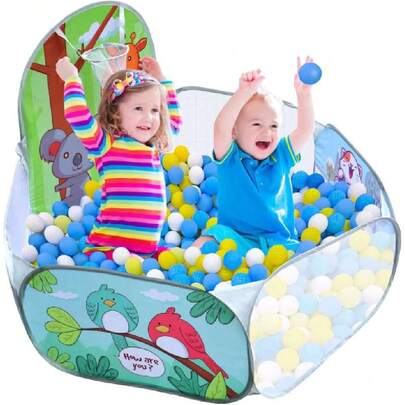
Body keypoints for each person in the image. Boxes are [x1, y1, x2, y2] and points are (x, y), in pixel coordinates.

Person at [56, 55, 181, 259]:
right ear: (116, 113)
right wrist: (71, 79)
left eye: (154, 110)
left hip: (145, 255)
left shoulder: (155, 147)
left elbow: (174, 122)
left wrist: (162, 78)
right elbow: (78, 117)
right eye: (138, 108)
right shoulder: (107, 145)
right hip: (108, 251)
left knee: (177, 262)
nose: (148, 117)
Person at [193, 57, 315, 255]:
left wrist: (304, 95)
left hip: (279, 244)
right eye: (257, 124)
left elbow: (305, 130)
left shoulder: (281, 154)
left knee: (308, 256)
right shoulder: (230, 159)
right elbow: (220, 128)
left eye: (274, 126)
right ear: (235, 131)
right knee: (207, 241)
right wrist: (243, 93)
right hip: (237, 239)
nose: (267, 132)